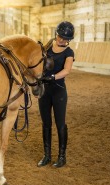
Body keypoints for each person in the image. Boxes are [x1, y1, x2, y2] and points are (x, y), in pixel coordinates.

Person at [37, 21, 75, 168]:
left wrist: (52, 77)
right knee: (46, 123)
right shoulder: (46, 47)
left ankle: (61, 157)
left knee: (60, 123)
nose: (61, 40)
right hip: (44, 91)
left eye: (65, 39)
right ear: (56, 34)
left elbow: (67, 70)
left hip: (58, 90)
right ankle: (46, 155)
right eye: (60, 37)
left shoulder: (69, 52)